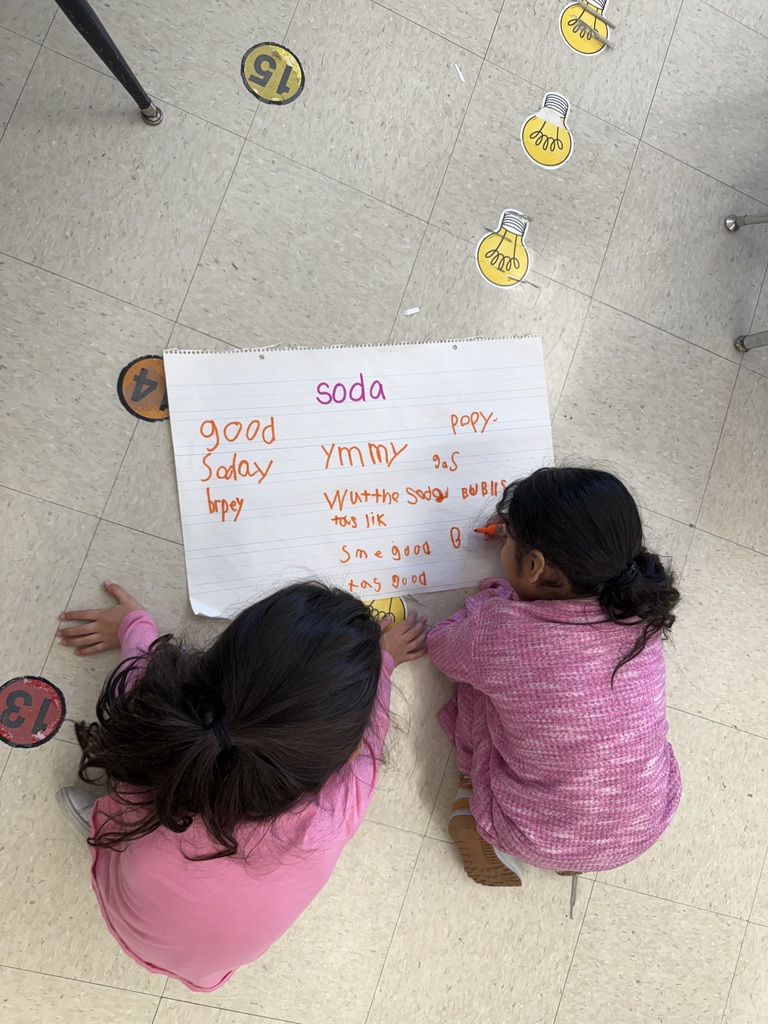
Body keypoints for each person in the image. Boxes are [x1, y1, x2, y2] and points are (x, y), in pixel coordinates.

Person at [55, 579, 427, 990]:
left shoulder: (151, 728)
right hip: (207, 970)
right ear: (349, 751)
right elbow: (373, 731)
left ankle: (99, 824)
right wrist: (385, 660)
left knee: (128, 824)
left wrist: (133, 622)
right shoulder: (339, 810)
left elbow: (142, 665)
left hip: (127, 914)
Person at [427, 467, 682, 886]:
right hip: (644, 825)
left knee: (478, 684)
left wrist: (494, 600)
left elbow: (442, 647)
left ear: (535, 565)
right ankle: (575, 846)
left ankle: (471, 808)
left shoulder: (499, 635)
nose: (502, 540)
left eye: (508, 538)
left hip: (531, 830)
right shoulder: (642, 615)